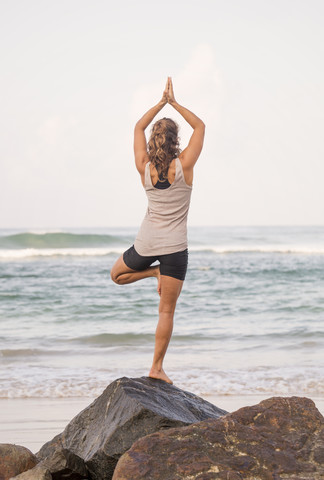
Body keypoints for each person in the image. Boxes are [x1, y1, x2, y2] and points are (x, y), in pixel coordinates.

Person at [110, 77, 205, 384]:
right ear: (177, 141)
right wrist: (174, 102)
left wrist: (160, 103)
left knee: (116, 275)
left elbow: (137, 127)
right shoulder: (185, 164)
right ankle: (157, 367)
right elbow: (201, 126)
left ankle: (152, 273)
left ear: (154, 139)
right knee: (166, 313)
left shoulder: (144, 167)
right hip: (176, 248)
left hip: (147, 244)